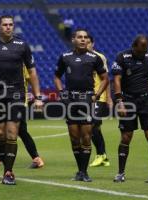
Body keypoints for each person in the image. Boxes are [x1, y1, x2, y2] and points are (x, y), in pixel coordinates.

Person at [0, 15, 43, 185]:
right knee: (0, 134)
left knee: (12, 134)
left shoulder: (22, 45)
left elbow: (33, 73)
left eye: (11, 24)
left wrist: (38, 97)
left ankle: (8, 172)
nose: (8, 27)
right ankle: (2, 160)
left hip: (17, 94)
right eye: (5, 25)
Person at [112, 35, 148, 183]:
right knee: (126, 136)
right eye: (139, 51)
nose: (142, 54)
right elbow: (117, 80)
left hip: (146, 100)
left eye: (145, 51)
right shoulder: (122, 56)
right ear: (134, 47)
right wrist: (120, 101)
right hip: (128, 99)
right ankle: (120, 173)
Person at [54, 29, 109, 182]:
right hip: (70, 99)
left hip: (87, 99)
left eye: (85, 37)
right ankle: (79, 171)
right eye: (80, 37)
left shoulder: (94, 58)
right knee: (74, 138)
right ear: (73, 40)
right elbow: (57, 76)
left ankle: (84, 172)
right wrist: (61, 92)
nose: (83, 40)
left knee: (86, 136)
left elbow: (105, 79)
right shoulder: (65, 57)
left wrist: (97, 96)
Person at [0, 66, 44, 170]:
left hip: (18, 102)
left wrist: (35, 97)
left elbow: (30, 79)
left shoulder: (22, 65)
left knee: (19, 131)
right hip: (8, 100)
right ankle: (36, 159)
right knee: (19, 132)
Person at [86, 35, 112, 167]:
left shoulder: (99, 57)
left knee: (92, 126)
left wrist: (108, 98)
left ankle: (100, 155)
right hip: (86, 98)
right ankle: (103, 156)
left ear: (93, 44)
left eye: (89, 42)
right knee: (95, 128)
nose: (86, 44)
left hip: (98, 97)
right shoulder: (80, 58)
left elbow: (106, 79)